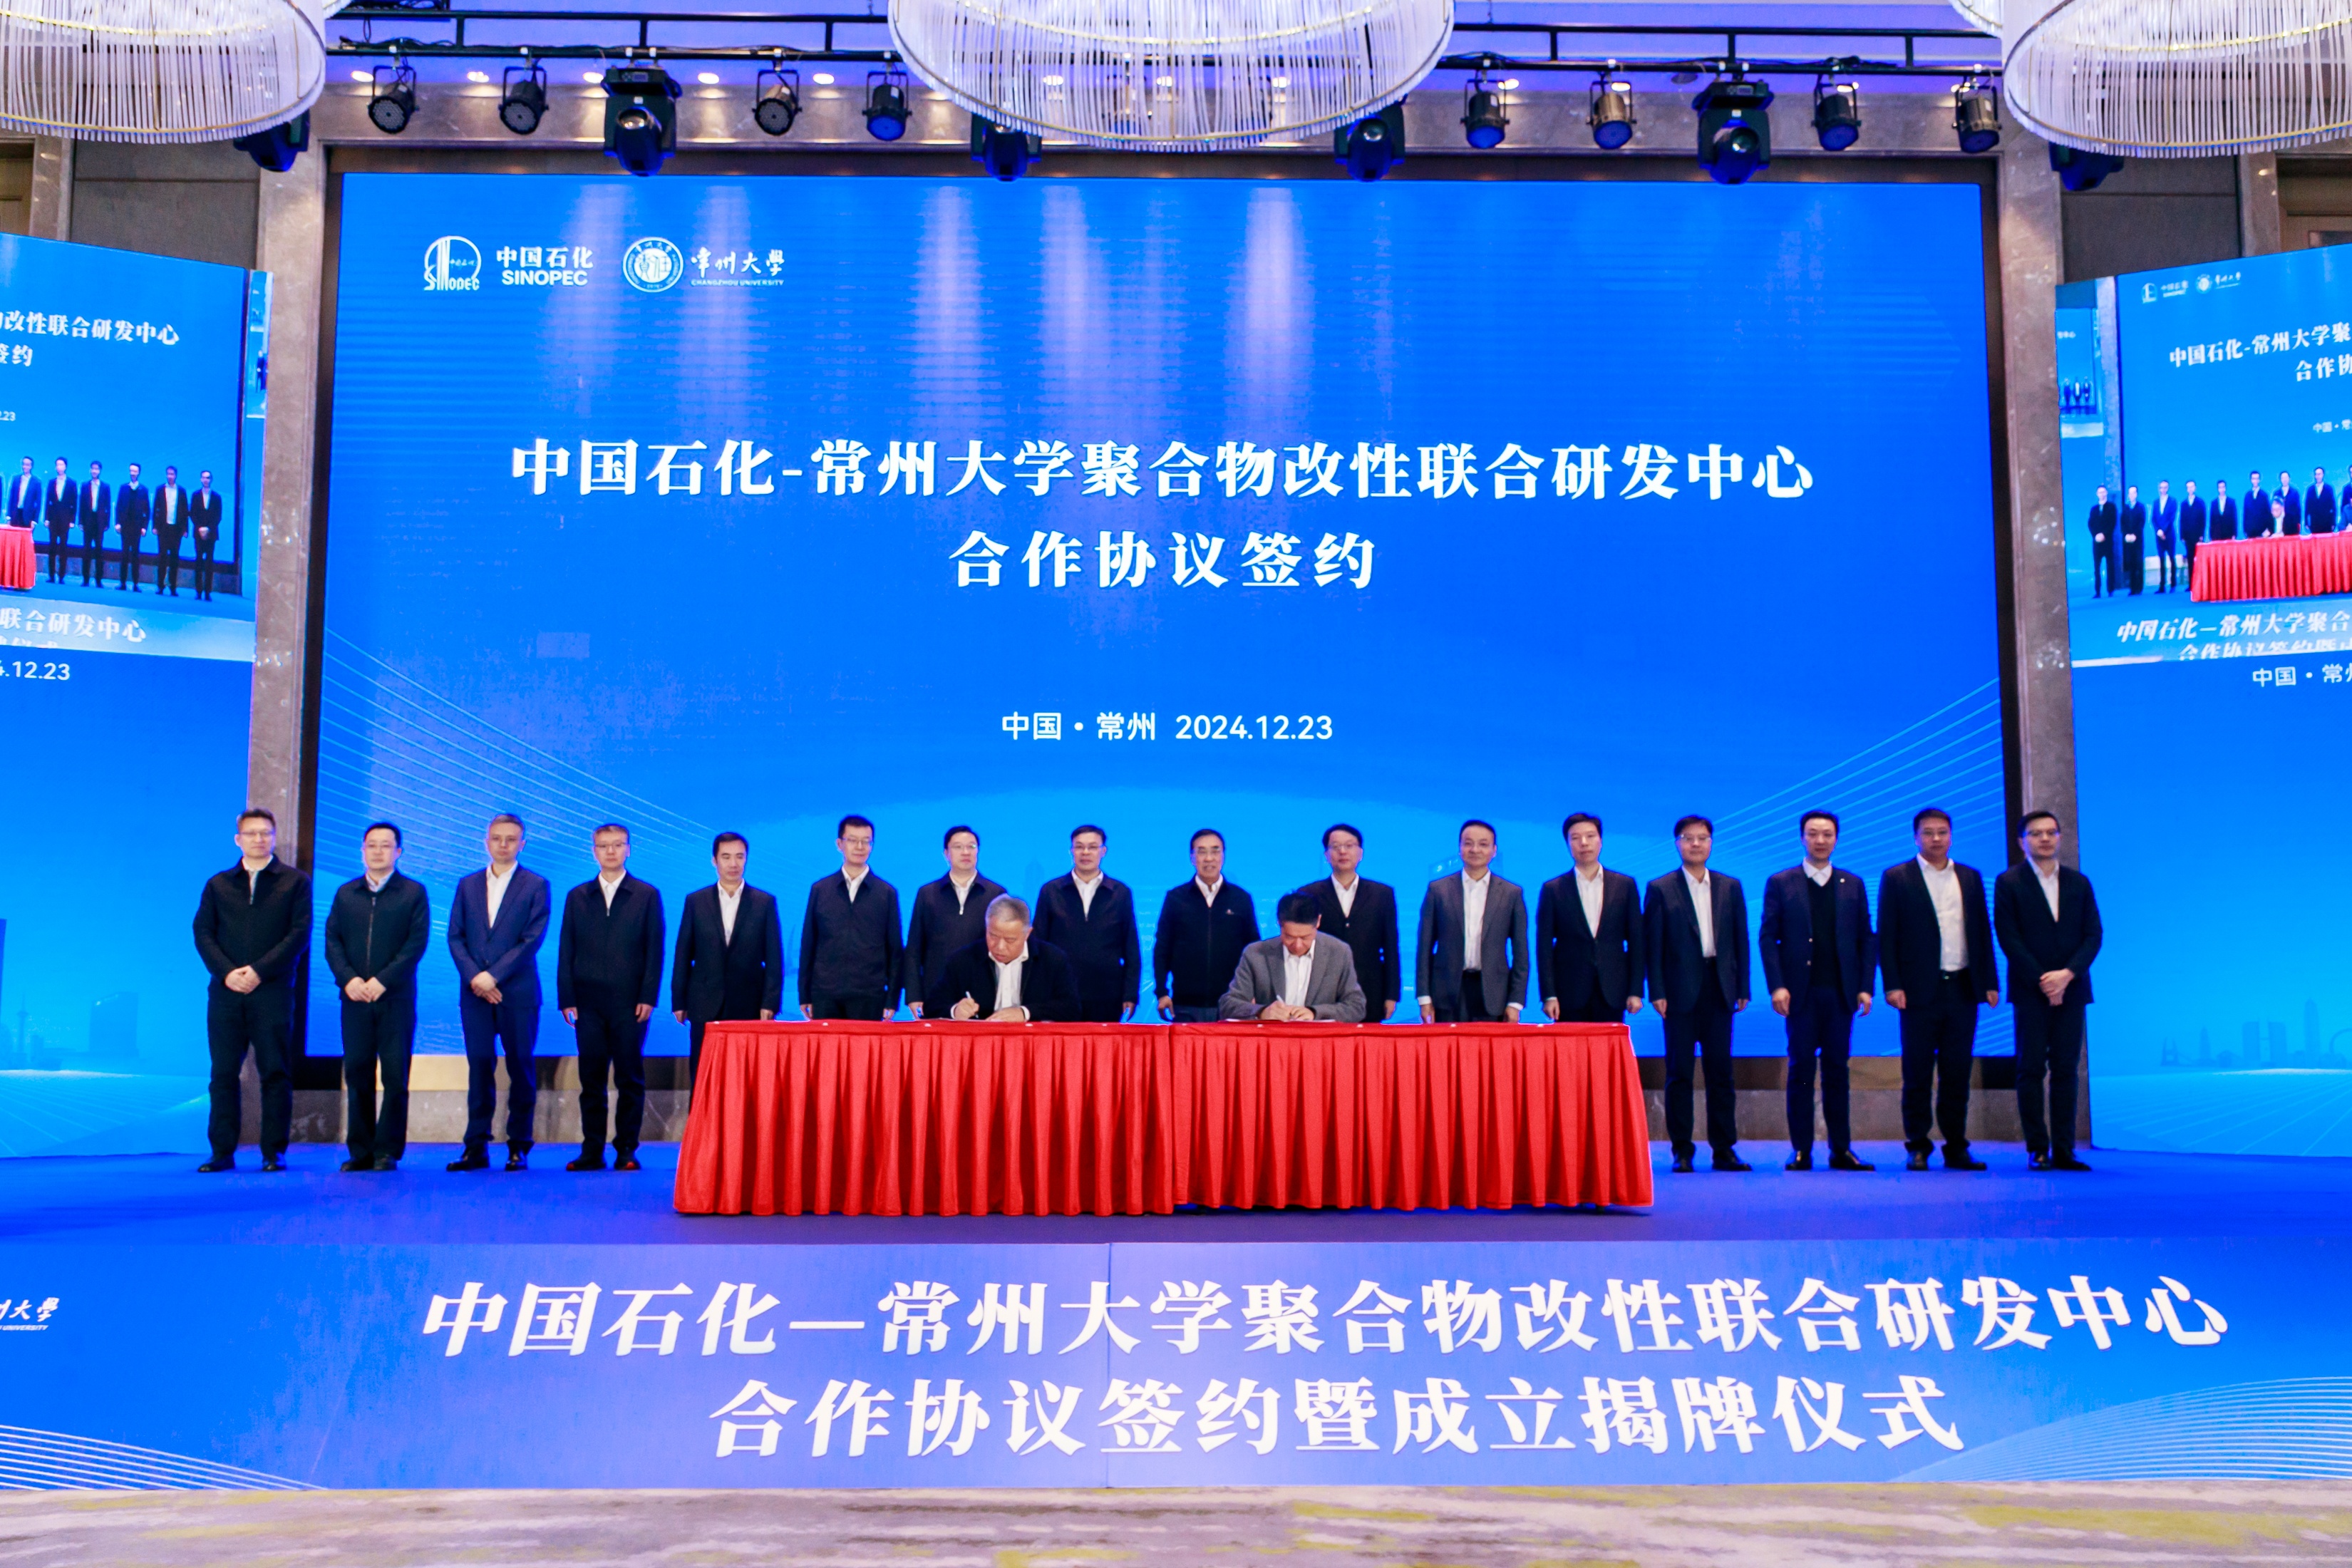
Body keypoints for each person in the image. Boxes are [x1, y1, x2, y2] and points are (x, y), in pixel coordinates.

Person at [1877, 808, 2001, 1172]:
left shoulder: (1970, 877)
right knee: (1917, 1073)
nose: (1935, 839)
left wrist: (1989, 982)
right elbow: (1887, 935)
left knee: (1957, 1072)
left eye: (1942, 832)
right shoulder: (1897, 877)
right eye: (1928, 832)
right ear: (1915, 837)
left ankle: (1957, 1146)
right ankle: (1917, 1145)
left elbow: (1982, 931)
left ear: (1951, 835)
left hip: (1962, 987)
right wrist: (1892, 985)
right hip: (1917, 991)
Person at [190, 808, 311, 1172]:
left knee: (275, 1072)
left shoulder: (294, 882)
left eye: (266, 833)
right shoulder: (218, 884)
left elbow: (299, 934)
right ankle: (221, 1152)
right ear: (238, 839)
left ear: (274, 838)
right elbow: (203, 933)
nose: (259, 839)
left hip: (272, 992)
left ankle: (273, 1152)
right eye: (251, 833)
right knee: (223, 1074)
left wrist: (259, 971)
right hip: (226, 994)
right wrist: (228, 973)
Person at [1758, 811, 1876, 1172]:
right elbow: (1768, 938)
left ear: (1836, 839)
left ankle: (1841, 1150)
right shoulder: (1782, 882)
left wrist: (1865, 988)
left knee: (1838, 1071)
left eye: (1827, 834)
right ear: (1802, 838)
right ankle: (1801, 1150)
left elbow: (1865, 939)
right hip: (1800, 995)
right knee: (1801, 1071)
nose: (1820, 840)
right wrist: (1777, 985)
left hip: (1841, 994)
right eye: (1813, 834)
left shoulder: (1852, 884)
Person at [1995, 812, 2103, 1172]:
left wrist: (2067, 976)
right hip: (2031, 990)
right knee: (2030, 1069)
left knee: (2066, 1070)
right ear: (2021, 841)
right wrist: (2045, 980)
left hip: (2073, 989)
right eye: (2035, 834)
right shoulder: (2009, 882)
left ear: (2059, 837)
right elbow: (2009, 937)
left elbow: (2093, 935)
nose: (2044, 839)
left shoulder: (2079, 882)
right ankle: (2037, 1148)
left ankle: (2065, 1150)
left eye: (2050, 833)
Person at [1644, 815, 1750, 1172]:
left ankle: (1724, 1150)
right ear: (1677, 843)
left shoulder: (1730, 886)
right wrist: (1657, 990)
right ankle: (1682, 1150)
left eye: (1702, 838)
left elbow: (1740, 940)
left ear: (1711, 843)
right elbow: (1653, 945)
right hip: (1678, 992)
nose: (1695, 844)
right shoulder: (1661, 888)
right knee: (1679, 1073)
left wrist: (1743, 986)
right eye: (1688, 838)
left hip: (1720, 988)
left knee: (1721, 1073)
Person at [321, 822, 430, 1173]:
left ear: (399, 852)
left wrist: (383, 981)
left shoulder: (413, 893)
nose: (378, 851)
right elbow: (332, 942)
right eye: (372, 845)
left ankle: (387, 1151)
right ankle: (361, 1151)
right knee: (357, 1074)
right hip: (354, 998)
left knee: (395, 1077)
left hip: (395, 999)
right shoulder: (346, 894)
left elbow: (415, 944)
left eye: (386, 845)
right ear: (363, 851)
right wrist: (349, 980)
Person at [557, 823, 665, 1172]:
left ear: (629, 849)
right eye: (604, 846)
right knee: (591, 1078)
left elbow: (655, 950)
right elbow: (566, 948)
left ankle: (626, 1150)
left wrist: (648, 995)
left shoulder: (646, 895)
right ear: (594, 852)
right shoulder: (577, 896)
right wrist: (567, 997)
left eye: (618, 845)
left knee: (629, 1077)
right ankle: (592, 1150)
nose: (611, 852)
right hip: (587, 1002)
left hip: (630, 1003)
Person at [445, 813, 550, 1172]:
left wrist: (494, 976)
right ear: (486, 842)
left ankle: (519, 1146)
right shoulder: (467, 884)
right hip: (474, 993)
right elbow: (455, 936)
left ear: (522, 844)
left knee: (520, 1066)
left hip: (517, 993)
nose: (503, 845)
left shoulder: (536, 885)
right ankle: (476, 1145)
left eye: (511, 839)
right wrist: (477, 977)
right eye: (497, 838)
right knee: (479, 1066)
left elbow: (531, 940)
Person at [671, 831, 783, 1085]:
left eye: (739, 857)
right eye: (726, 857)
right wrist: (679, 1000)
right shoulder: (695, 901)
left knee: (746, 1075)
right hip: (704, 1002)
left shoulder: (764, 902)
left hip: (749, 1003)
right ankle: (702, 1113)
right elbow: (683, 954)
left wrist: (770, 1002)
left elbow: (774, 958)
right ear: (714, 860)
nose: (734, 863)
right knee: (703, 1074)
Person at [1415, 820, 1527, 1023]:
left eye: (1483, 844)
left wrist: (1515, 1002)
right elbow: (1424, 947)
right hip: (1446, 993)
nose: (1475, 850)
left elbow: (1521, 953)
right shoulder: (1438, 890)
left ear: (1494, 850)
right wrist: (1424, 997)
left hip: (1494, 994)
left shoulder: (1511, 893)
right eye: (1468, 843)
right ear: (1460, 848)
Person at [1536, 812, 1645, 1025]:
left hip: (1613, 990)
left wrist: (1636, 991)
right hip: (1569, 992)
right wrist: (1549, 995)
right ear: (1568, 844)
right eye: (1575, 838)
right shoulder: (1553, 889)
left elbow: (1637, 942)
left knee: (1608, 1046)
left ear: (1601, 841)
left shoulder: (1625, 886)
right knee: (1569, 1047)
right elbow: (1544, 947)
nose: (1584, 843)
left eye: (1590, 836)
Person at [1033, 824, 1141, 1022]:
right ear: (1071, 851)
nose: (1085, 852)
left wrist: (1130, 994)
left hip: (1107, 994)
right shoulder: (1051, 891)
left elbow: (1131, 947)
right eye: (1079, 847)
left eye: (1092, 847)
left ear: (1103, 851)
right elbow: (1038, 944)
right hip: (1060, 993)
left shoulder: (1120, 893)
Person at [798, 814, 902, 1018]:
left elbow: (895, 950)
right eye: (853, 840)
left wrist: (892, 998)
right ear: (840, 844)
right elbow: (808, 945)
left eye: (866, 841)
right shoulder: (821, 890)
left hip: (870, 995)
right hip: (825, 994)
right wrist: (804, 994)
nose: (860, 847)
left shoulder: (886, 893)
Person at [1293, 824, 1400, 1021]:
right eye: (1336, 847)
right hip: (1321, 989)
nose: (1343, 852)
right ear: (1326, 855)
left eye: (1349, 846)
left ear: (1361, 853)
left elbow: (1391, 947)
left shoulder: (1382, 894)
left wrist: (1392, 995)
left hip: (1369, 988)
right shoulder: (1308, 894)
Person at [1155, 828, 1259, 1022]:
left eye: (1215, 851)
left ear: (1223, 856)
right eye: (1201, 852)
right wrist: (1161, 992)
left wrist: (1255, 991)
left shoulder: (1241, 899)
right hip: (1185, 1005)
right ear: (1192, 858)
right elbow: (1162, 948)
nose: (1209, 858)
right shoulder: (1176, 898)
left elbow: (1253, 949)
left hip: (1232, 1003)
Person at [925, 894, 1082, 1022]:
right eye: (993, 936)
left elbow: (1071, 1008)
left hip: (1032, 1044)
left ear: (1027, 934)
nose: (1000, 947)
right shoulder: (963, 960)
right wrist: (955, 1011)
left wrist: (1025, 1013)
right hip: (981, 1044)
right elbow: (932, 1005)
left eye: (1010, 940)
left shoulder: (1052, 959)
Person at [904, 825, 1004, 1018]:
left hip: (983, 992)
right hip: (937, 990)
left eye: (971, 846)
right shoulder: (927, 894)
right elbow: (914, 948)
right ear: (946, 853)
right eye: (958, 847)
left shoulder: (996, 894)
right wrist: (914, 995)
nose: (966, 852)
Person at [1220, 891, 1367, 1021]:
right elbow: (1228, 1005)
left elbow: (1356, 1006)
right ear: (1279, 924)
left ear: (1318, 922)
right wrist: (1262, 1012)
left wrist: (1315, 1013)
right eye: (1289, 937)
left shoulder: (1339, 952)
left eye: (1305, 937)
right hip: (1272, 1039)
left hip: (1320, 1040)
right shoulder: (1256, 953)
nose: (1297, 945)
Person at [152, 466, 188, 597]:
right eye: (168, 474)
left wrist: (185, 529)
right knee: (162, 558)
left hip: (176, 529)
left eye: (172, 474)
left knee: (174, 559)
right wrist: (154, 526)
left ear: (176, 476)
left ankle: (173, 587)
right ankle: (160, 586)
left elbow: (185, 511)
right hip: (163, 528)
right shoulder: (160, 489)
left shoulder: (182, 491)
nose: (170, 476)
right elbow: (155, 508)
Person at [113, 461, 148, 591]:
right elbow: (118, 507)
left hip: (137, 527)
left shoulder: (143, 490)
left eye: (135, 471)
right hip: (125, 526)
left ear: (139, 473)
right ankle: (122, 583)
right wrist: (117, 523)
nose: (133, 473)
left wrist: (144, 527)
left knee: (136, 556)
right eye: (131, 471)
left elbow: (147, 510)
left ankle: (136, 584)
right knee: (124, 555)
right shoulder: (123, 488)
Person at [76, 459, 108, 587]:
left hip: (100, 522)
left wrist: (106, 523)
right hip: (88, 521)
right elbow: (81, 505)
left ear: (100, 471)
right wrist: (80, 522)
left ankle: (99, 580)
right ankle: (86, 579)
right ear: (90, 470)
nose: (94, 471)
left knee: (99, 551)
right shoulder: (84, 486)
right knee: (86, 551)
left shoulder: (105, 487)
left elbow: (107, 506)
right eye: (93, 469)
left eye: (97, 469)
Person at [190, 470, 223, 599]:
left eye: (208, 478)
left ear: (211, 480)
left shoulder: (217, 497)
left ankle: (208, 592)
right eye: (204, 478)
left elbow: (218, 516)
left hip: (211, 534)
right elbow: (193, 513)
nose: (206, 480)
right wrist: (200, 528)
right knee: (198, 561)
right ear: (200, 479)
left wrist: (208, 529)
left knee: (209, 563)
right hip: (198, 533)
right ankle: (198, 591)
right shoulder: (195, 495)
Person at [41, 458, 72, 582]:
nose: (59, 467)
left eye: (62, 465)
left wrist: (72, 520)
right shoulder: (51, 482)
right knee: (52, 547)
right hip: (53, 519)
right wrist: (46, 519)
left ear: (66, 467)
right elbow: (47, 502)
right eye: (58, 465)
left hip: (65, 520)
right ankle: (51, 575)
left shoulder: (71, 483)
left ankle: (62, 576)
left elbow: (74, 503)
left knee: (63, 548)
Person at [2086, 483, 2117, 597]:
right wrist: (2096, 535)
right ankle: (2097, 591)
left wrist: (2104, 534)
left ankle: (2110, 590)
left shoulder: (2111, 507)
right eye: (2100, 492)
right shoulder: (2094, 509)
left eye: (2103, 492)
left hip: (2108, 541)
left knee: (2110, 565)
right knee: (2097, 567)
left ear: (2106, 493)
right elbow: (2090, 524)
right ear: (2097, 494)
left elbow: (2112, 523)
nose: (2102, 494)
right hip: (2097, 542)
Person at [2150, 479, 2177, 594]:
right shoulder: (2156, 502)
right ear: (2159, 489)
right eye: (2161, 487)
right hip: (2159, 536)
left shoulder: (2173, 501)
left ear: (2168, 488)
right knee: (2161, 560)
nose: (2163, 489)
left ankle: (2173, 584)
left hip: (2169, 535)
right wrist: (2158, 531)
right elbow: (2153, 519)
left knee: (2171, 559)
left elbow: (2171, 519)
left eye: (2165, 487)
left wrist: (2163, 531)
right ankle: (2162, 586)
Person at [2119, 483, 2146, 595]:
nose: (2132, 495)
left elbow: (2142, 523)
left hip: (2138, 540)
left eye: (2134, 493)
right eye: (2130, 493)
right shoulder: (2125, 508)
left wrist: (2135, 535)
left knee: (2138, 563)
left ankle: (2139, 587)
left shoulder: (2141, 507)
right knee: (2130, 563)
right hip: (2128, 540)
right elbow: (2122, 523)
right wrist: (2126, 535)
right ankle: (2132, 587)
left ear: (2137, 494)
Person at [2180, 480, 2206, 589]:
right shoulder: (2184, 504)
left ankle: (2200, 584)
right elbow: (2181, 521)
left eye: (2192, 487)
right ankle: (2191, 584)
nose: (2190, 489)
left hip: (2197, 536)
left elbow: (2203, 520)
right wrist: (2182, 536)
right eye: (2188, 487)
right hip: (2187, 537)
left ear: (2195, 488)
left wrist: (2202, 535)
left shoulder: (2200, 502)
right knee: (2190, 560)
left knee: (2198, 560)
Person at [6, 456, 35, 528]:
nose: (25, 467)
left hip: (28, 517)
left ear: (31, 466)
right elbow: (11, 498)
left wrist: (34, 520)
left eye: (27, 465)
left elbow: (38, 503)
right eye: (23, 464)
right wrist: (8, 516)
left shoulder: (36, 482)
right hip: (15, 514)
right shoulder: (16, 479)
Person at [2308, 465, 2338, 535]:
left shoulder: (2329, 489)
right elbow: (2307, 507)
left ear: (2323, 475)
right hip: (2314, 523)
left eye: (2319, 474)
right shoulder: (2310, 490)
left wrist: (2333, 523)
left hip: (2327, 522)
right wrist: (2306, 522)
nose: (2318, 476)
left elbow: (2333, 507)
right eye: (2316, 474)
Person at [2209, 477, 2237, 543]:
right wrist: (2211, 536)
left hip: (2229, 534)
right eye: (2220, 487)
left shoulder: (2231, 502)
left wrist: (2234, 534)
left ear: (2225, 488)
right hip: (2216, 536)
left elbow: (2234, 519)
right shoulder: (2214, 503)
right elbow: (2212, 520)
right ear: (2218, 489)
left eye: (2223, 487)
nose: (2222, 489)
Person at [2244, 470, 2271, 538]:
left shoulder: (2264, 495)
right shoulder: (2247, 496)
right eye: (2253, 479)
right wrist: (2246, 530)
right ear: (2251, 480)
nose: (2255, 481)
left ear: (2259, 480)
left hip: (2262, 532)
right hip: (2250, 533)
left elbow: (2268, 513)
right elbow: (2246, 514)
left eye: (2257, 479)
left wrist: (2268, 529)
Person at [2278, 470, 2303, 535]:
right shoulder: (2277, 494)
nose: (2285, 480)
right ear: (2280, 479)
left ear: (2289, 479)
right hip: (2280, 526)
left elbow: (2298, 509)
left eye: (2286, 478)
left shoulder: (2295, 493)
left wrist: (2298, 523)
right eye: (2283, 478)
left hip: (2293, 524)